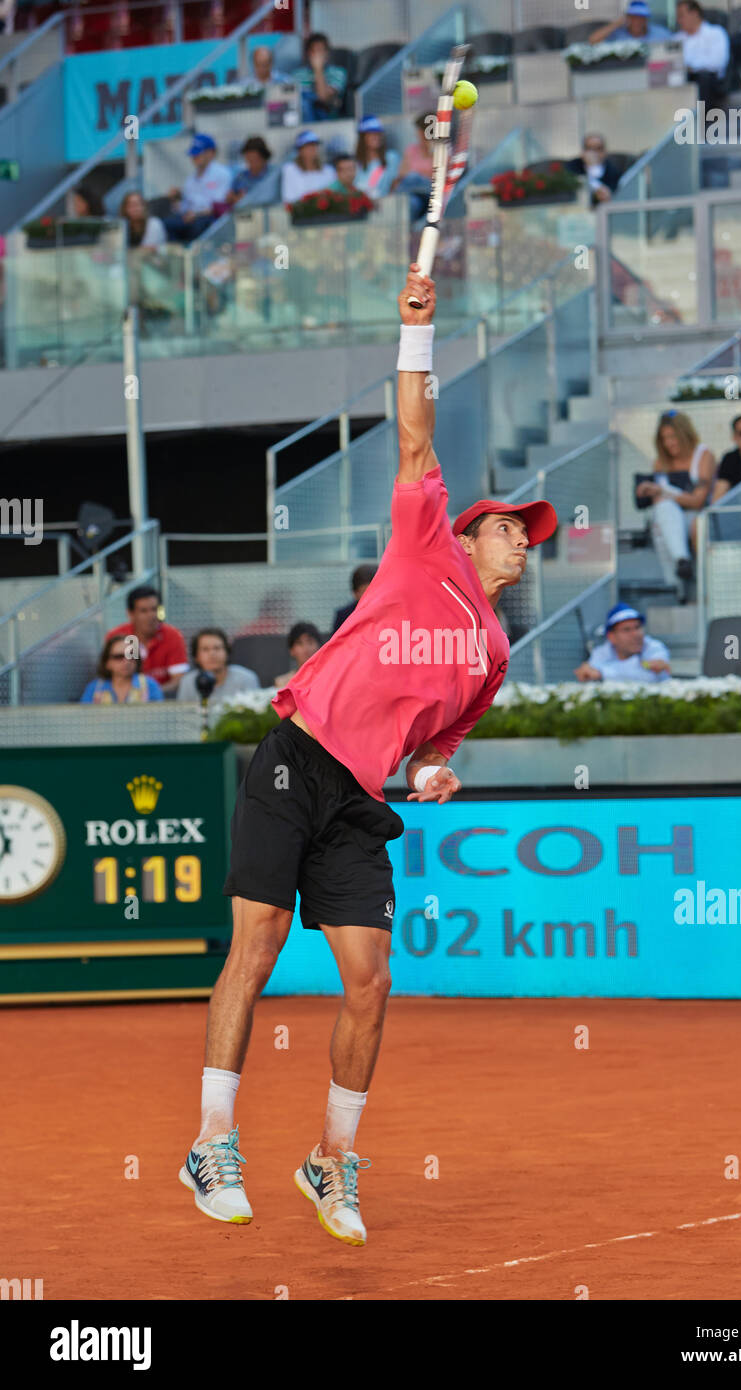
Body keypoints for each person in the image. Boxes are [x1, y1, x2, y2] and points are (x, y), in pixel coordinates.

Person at [178, 260, 558, 1242]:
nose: (524, 545)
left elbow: (435, 742)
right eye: (511, 531)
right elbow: (415, 430)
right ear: (468, 537)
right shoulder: (421, 539)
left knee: (370, 979)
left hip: (355, 801)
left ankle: (330, 1158)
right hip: (291, 761)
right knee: (253, 948)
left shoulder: (492, 652)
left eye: (530, 537)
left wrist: (431, 767)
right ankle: (211, 1138)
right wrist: (414, 333)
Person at [636, 410, 715, 581]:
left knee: (678, 516)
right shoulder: (660, 462)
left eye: (672, 436)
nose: (669, 443)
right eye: (664, 439)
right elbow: (659, 501)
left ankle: (685, 575)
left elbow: (698, 502)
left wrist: (662, 491)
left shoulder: (703, 455)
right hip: (668, 520)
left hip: (696, 516)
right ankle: (681, 562)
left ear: (684, 434)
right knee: (662, 512)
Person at [105, 585, 189, 692]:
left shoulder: (172, 635)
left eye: (154, 609)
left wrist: (150, 695)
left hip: (163, 701)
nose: (151, 615)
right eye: (143, 611)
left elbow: (179, 680)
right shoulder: (117, 637)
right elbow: (107, 676)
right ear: (130, 614)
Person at [575, 603, 671, 683]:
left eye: (637, 627)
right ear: (611, 637)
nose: (636, 634)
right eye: (627, 630)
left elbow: (649, 677)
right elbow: (588, 676)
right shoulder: (601, 652)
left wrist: (601, 672)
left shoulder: (654, 647)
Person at [163, 134, 233, 243]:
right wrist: (176, 198)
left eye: (198, 154)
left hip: (210, 220)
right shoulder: (190, 179)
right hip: (192, 218)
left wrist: (195, 215)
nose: (194, 158)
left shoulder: (222, 173)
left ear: (210, 153)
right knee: (166, 224)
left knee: (198, 225)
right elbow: (185, 207)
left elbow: (219, 206)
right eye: (193, 155)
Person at [176, 628, 259, 703]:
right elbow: (182, 715)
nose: (212, 654)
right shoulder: (188, 682)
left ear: (227, 652)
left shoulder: (246, 678)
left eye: (217, 648)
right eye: (205, 649)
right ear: (196, 657)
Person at [674, 0, 730, 108]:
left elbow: (717, 63)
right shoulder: (676, 39)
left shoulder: (716, 33)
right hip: (683, 79)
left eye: (681, 15)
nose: (679, 20)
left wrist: (691, 67)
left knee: (704, 77)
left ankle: (702, 120)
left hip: (707, 82)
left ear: (694, 13)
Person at [80, 633, 164, 703]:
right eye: (119, 657)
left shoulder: (150, 686)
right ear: (107, 662)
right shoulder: (94, 689)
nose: (126, 661)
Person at [290, 31, 348, 123]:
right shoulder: (297, 75)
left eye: (321, 51)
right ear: (308, 54)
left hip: (329, 121)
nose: (318, 55)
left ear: (327, 53)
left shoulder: (338, 72)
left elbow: (323, 98)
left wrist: (318, 70)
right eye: (314, 51)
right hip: (302, 121)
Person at [392, 113, 435, 222]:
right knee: (412, 203)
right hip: (414, 194)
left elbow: (442, 176)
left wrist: (431, 149)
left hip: (432, 193)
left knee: (413, 177)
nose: (418, 134)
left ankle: (394, 200)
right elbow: (401, 176)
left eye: (420, 131)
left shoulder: (442, 150)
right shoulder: (411, 150)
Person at [281, 130, 335, 207]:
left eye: (315, 145)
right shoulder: (290, 169)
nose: (313, 148)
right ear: (300, 150)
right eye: (308, 146)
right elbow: (290, 199)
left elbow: (333, 196)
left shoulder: (329, 170)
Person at [567, 133, 621, 206]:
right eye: (590, 149)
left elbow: (612, 194)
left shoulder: (613, 170)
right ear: (583, 152)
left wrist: (594, 168)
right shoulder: (572, 166)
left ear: (605, 151)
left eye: (598, 149)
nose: (594, 153)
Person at [354, 116, 400, 199]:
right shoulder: (356, 162)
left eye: (378, 134)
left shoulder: (391, 157)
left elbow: (395, 185)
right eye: (371, 134)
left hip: (385, 205)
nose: (376, 137)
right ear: (362, 137)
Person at [590, 0, 672, 45]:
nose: (637, 21)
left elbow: (675, 49)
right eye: (634, 17)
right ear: (627, 17)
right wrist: (617, 23)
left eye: (641, 17)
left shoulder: (660, 33)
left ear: (646, 19)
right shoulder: (618, 35)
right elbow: (593, 40)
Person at [273, 621, 325, 687]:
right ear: (291, 650)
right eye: (299, 643)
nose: (306, 649)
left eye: (310, 642)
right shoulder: (282, 683)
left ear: (319, 647)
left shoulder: (329, 678)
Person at [226, 136, 273, 206]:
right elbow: (229, 198)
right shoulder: (240, 177)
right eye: (248, 160)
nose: (252, 164)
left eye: (255, 159)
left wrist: (246, 200)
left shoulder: (273, 175)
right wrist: (235, 199)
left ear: (264, 158)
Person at [332, 564, 377, 635]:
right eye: (365, 592)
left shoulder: (388, 614)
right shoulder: (344, 617)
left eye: (374, 591)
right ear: (355, 593)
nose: (371, 597)